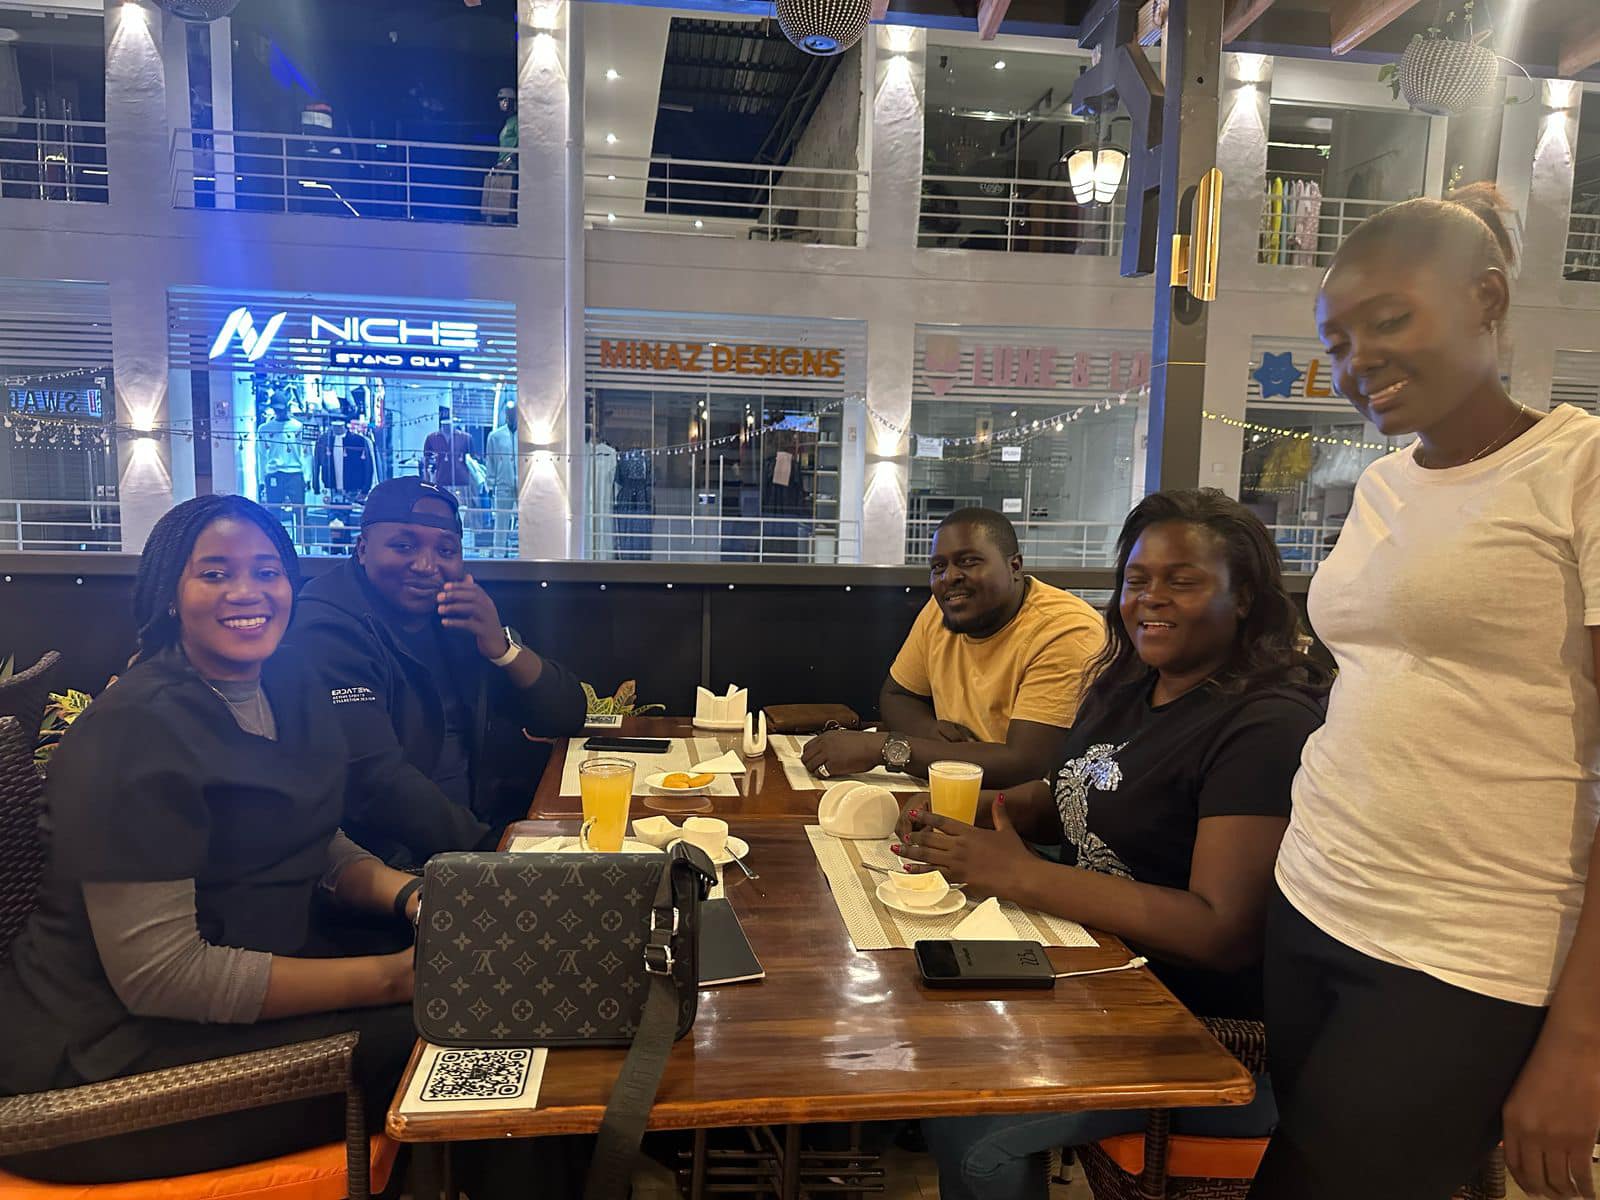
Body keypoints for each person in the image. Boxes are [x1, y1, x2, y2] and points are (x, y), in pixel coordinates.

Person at [1249, 186, 1600, 1200]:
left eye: (1390, 320)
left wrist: (1580, 1041)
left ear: (1486, 298)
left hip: (1471, 946)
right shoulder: (1383, 483)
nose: (1358, 360)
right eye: (1337, 342)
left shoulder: (1577, 468)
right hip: (1314, 897)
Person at [900, 490, 1330, 1200]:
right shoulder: (1129, 686)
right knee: (930, 1026)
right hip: (1098, 980)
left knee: (971, 1126)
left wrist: (1019, 875)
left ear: (1245, 596)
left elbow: (1220, 931)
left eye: (1181, 580)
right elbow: (1072, 800)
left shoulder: (1266, 726)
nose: (1150, 598)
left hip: (1204, 1036)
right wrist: (966, 816)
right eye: (1137, 579)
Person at [0, 495, 421, 1182]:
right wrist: (393, 979)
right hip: (109, 1064)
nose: (247, 592)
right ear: (170, 594)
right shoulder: (133, 732)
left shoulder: (288, 682)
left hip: (249, 975)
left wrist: (413, 898)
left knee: (481, 995)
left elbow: (310, 834)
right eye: (216, 573)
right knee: (455, 1040)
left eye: (267, 571)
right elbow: (164, 976)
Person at [290, 477, 586, 864]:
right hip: (391, 863)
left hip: (482, 830)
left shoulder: (455, 610)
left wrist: (501, 648)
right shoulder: (327, 625)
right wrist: (495, 854)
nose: (426, 566)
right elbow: (375, 782)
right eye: (404, 546)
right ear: (362, 548)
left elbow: (568, 714)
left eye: (445, 550)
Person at [802, 507, 1103, 790]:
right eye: (938, 567)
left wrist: (886, 748)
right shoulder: (942, 609)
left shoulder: (1066, 631)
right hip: (956, 790)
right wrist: (928, 733)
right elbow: (897, 695)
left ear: (1014, 567)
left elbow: (1025, 764)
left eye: (969, 561)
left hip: (1031, 813)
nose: (949, 577)